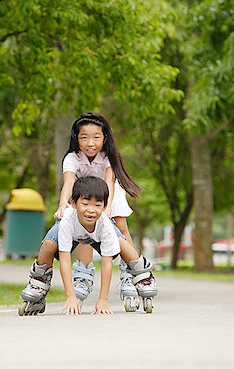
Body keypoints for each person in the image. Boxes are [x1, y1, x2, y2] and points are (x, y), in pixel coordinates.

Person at [19, 176, 157, 315]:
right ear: (73, 203)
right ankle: (39, 281)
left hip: (98, 236)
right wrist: (70, 296)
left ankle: (143, 276)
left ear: (104, 206)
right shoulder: (67, 221)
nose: (91, 210)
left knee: (122, 242)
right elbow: (65, 260)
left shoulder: (105, 225)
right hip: (70, 232)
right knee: (48, 244)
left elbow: (106, 264)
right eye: (85, 204)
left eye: (97, 205)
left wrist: (103, 300)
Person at [53, 111, 140, 300]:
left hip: (109, 192)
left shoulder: (107, 155)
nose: (90, 143)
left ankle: (130, 270)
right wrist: (62, 204)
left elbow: (109, 179)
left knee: (120, 223)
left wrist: (107, 206)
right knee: (82, 225)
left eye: (96, 137)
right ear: (76, 138)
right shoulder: (72, 158)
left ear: (105, 138)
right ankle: (83, 273)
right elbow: (68, 182)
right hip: (85, 194)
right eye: (84, 137)